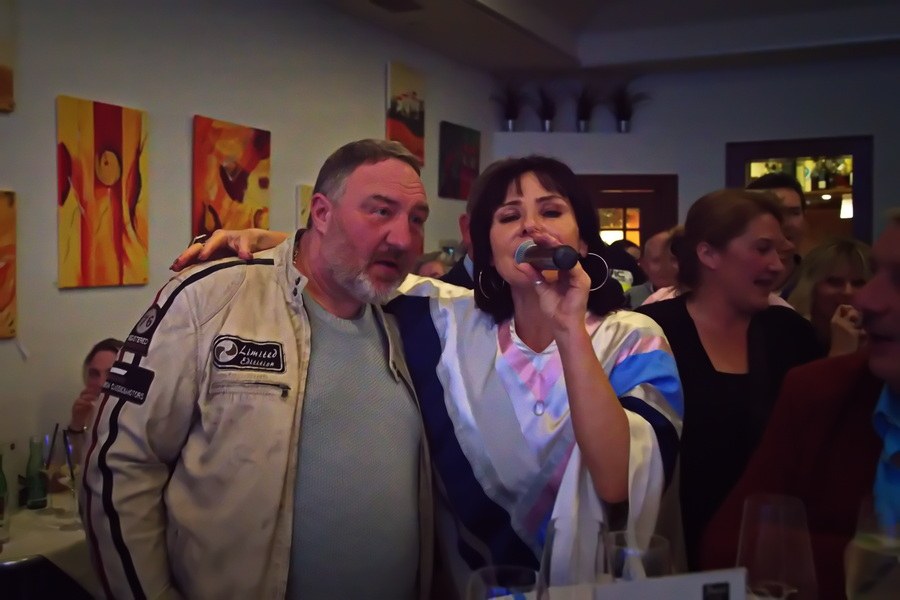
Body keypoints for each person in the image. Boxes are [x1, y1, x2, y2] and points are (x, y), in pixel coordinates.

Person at [184, 156, 684, 596]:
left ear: (582, 239)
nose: (531, 227)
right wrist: (273, 242)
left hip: (598, 588)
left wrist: (569, 326)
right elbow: (353, 260)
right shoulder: (448, 320)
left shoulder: (634, 339)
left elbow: (616, 482)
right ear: (485, 247)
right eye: (509, 216)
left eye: (551, 212)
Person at [82, 139, 435, 600]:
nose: (403, 238)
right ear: (322, 213)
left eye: (417, 219)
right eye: (381, 211)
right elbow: (120, 462)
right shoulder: (211, 297)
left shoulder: (411, 320)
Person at [700, 210, 900, 598]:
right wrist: (864, 562)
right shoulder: (823, 390)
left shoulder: (789, 335)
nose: (863, 299)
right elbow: (730, 545)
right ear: (707, 254)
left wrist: (805, 550)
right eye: (877, 273)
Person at [635, 189, 823, 569]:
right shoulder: (653, 333)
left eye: (779, 252)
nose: (777, 265)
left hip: (771, 553)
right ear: (708, 254)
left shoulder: (791, 334)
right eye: (762, 249)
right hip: (674, 553)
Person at [786, 237, 871, 356]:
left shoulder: (883, 340)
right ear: (810, 286)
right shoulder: (788, 337)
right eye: (835, 282)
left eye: (858, 283)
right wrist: (842, 351)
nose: (848, 291)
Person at [746, 172, 807, 298]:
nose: (786, 223)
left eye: (794, 213)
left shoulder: (817, 285)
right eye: (775, 212)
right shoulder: (729, 285)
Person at [626, 228, 679, 308]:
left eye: (673, 259)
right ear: (644, 265)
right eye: (657, 261)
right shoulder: (631, 297)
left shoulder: (695, 297)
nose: (666, 267)